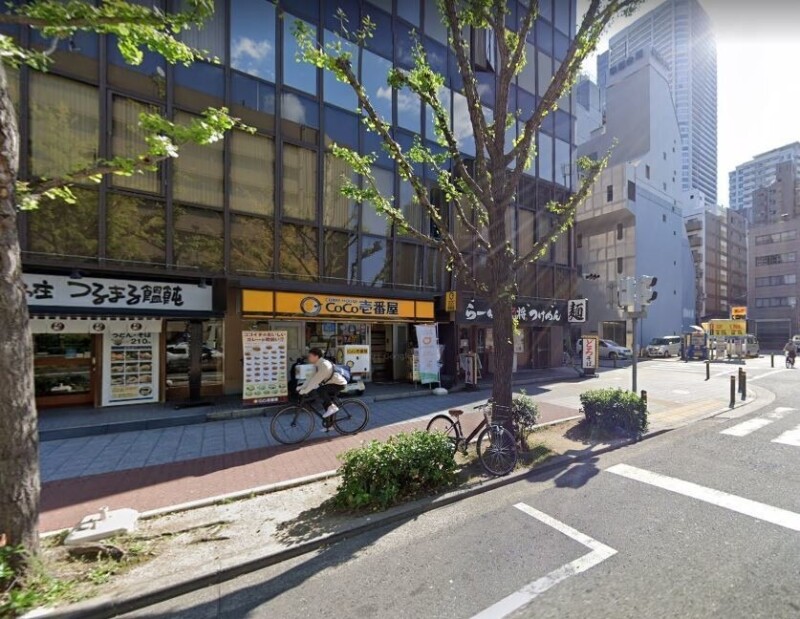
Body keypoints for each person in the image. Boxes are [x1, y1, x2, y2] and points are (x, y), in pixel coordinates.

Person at [297, 347, 348, 417]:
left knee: (320, 390)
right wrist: (302, 386)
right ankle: (330, 423)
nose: (308, 357)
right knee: (325, 403)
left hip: (339, 384)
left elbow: (315, 381)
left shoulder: (324, 365)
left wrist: (305, 391)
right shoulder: (317, 364)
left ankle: (332, 407)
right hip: (331, 383)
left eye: (310, 356)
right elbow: (311, 378)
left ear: (316, 356)